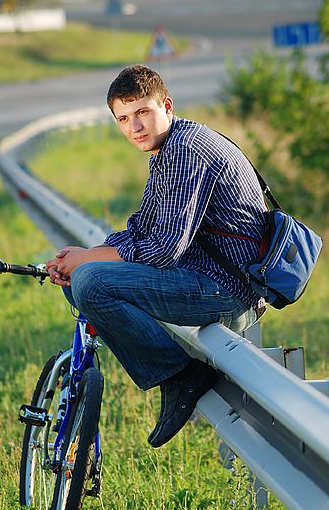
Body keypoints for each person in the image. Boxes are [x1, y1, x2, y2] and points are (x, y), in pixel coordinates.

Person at [46, 65, 267, 448]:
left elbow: (165, 249)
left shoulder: (186, 150)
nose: (135, 127)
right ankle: (171, 370)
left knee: (91, 282)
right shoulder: (168, 150)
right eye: (124, 119)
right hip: (204, 278)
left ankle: (181, 377)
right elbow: (143, 230)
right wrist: (84, 255)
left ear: (166, 105)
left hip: (229, 291)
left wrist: (90, 263)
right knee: (82, 279)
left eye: (143, 112)